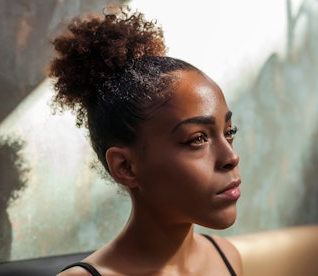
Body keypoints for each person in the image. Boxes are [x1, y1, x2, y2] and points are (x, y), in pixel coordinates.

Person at [50, 5, 242, 276]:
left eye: (229, 132)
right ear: (126, 167)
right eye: (197, 138)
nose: (231, 157)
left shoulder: (227, 258)